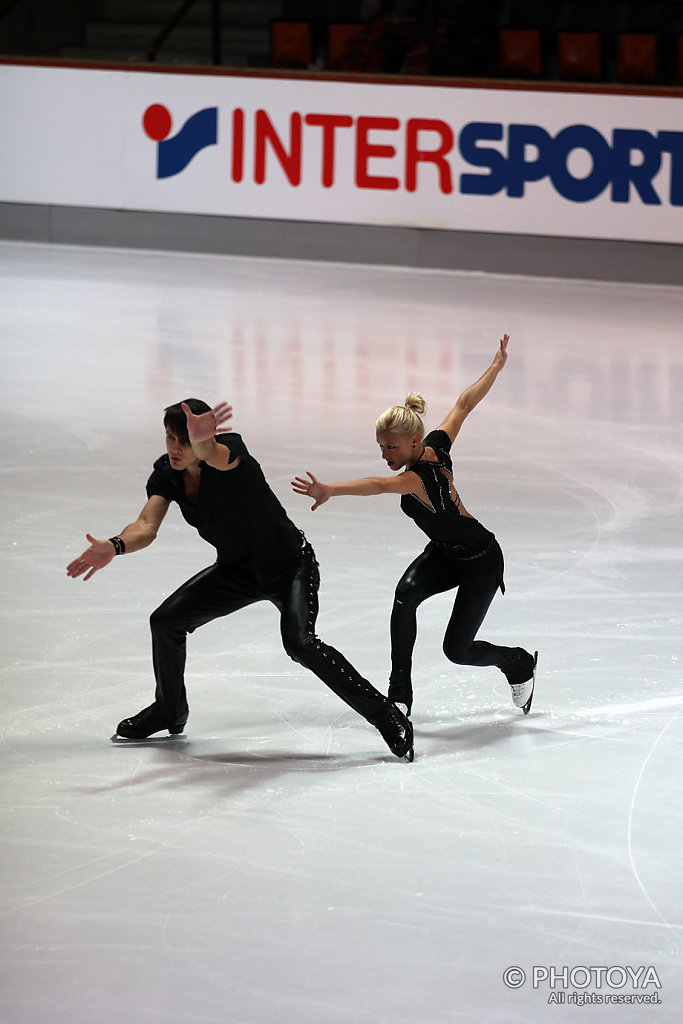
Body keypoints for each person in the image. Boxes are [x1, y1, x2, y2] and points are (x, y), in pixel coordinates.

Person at [66, 399, 413, 760]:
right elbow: (146, 526)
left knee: (300, 644)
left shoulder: (231, 450)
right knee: (166, 622)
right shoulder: (168, 474)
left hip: (290, 566)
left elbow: (214, 454)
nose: (173, 448)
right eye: (169, 438)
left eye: (182, 440)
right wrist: (116, 545)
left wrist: (204, 442)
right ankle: (169, 709)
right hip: (237, 570)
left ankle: (387, 717)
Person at [292, 334, 537, 718]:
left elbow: (379, 485)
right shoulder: (436, 444)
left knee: (456, 651)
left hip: (480, 561)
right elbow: (464, 404)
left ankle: (518, 663)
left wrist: (330, 490)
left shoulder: (419, 478)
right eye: (381, 447)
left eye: (392, 448)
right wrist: (496, 366)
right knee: (404, 596)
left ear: (413, 441)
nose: (386, 455)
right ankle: (399, 692)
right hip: (443, 555)